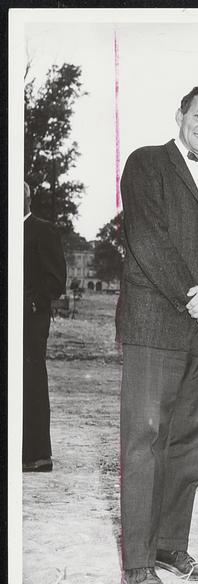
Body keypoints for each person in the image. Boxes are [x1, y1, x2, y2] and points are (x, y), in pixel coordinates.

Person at [117, 85, 198, 584]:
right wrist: (192, 297)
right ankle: (138, 562)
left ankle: (171, 544)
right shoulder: (146, 163)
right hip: (155, 325)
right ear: (180, 115)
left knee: (191, 441)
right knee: (145, 441)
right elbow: (146, 238)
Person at [23, 181, 66, 473]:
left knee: (31, 381)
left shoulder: (42, 230)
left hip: (30, 319)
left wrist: (31, 301)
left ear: (27, 200)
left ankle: (38, 455)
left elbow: (56, 281)